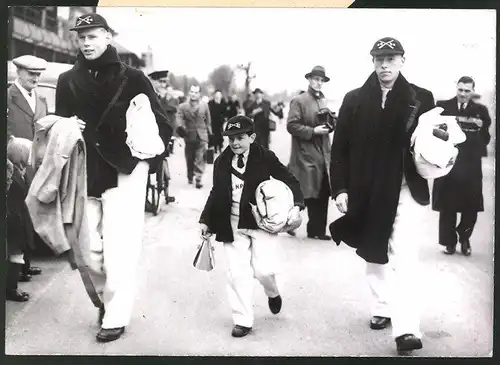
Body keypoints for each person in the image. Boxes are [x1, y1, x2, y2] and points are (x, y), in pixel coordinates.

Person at [55, 13, 172, 342]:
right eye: (81, 37)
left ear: (108, 37)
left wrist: (141, 158)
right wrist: (67, 127)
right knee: (89, 251)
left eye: (93, 36)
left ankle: (115, 315)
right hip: (85, 172)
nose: (86, 43)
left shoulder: (134, 78)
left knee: (121, 249)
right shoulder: (67, 80)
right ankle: (108, 298)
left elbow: (162, 126)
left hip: (126, 172)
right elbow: (57, 128)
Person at [329, 37, 435, 353]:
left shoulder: (422, 98)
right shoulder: (354, 100)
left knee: (404, 256)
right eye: (379, 59)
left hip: (406, 188)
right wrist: (341, 189)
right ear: (372, 61)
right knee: (374, 251)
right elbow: (339, 150)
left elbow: (437, 144)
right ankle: (380, 306)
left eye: (391, 58)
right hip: (368, 189)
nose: (385, 64)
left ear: (403, 60)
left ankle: (406, 330)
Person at [199, 115, 304, 338]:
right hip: (233, 224)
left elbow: (289, 179)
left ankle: (272, 292)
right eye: (231, 139)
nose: (235, 143)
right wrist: (206, 220)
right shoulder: (221, 161)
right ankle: (243, 320)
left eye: (240, 137)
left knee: (263, 270)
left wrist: (297, 205)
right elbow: (216, 193)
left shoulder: (265, 157)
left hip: (260, 223)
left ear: (252, 137)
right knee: (237, 273)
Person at [432, 76, 491, 256]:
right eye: (461, 90)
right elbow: (432, 132)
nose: (463, 94)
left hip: (470, 165)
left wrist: (481, 128)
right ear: (456, 88)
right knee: (447, 206)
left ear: (472, 91)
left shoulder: (481, 110)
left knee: (470, 206)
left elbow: (486, 139)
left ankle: (464, 238)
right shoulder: (442, 107)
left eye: (467, 91)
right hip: (448, 163)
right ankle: (449, 243)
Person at [7, 55, 48, 282]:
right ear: (18, 73)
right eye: (31, 73)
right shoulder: (7, 97)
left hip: (35, 165)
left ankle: (26, 264)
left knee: (31, 212)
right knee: (16, 215)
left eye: (38, 74)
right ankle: (15, 268)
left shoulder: (41, 101)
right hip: (14, 166)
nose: (36, 78)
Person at [287, 66, 334, 240]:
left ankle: (317, 230)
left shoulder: (323, 101)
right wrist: (313, 131)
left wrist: (330, 124)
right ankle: (289, 221)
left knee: (322, 191)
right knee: (305, 193)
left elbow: (325, 122)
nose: (318, 83)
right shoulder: (299, 100)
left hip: (322, 153)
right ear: (309, 80)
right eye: (315, 79)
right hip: (305, 154)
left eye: (321, 80)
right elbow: (291, 125)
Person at [148, 70, 178, 204]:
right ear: (152, 81)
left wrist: (172, 134)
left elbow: (171, 117)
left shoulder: (167, 97)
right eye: (160, 81)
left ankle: (164, 190)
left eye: (165, 82)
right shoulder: (148, 93)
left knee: (162, 159)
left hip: (162, 135)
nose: (163, 84)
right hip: (148, 133)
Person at [177, 84, 212, 188]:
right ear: (189, 92)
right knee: (190, 157)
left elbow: (208, 121)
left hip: (202, 135)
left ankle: (198, 178)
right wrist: (181, 127)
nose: (193, 94)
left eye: (196, 92)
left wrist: (210, 134)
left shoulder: (204, 105)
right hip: (189, 135)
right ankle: (190, 175)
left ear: (199, 94)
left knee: (200, 157)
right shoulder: (183, 106)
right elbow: (179, 118)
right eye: (192, 92)